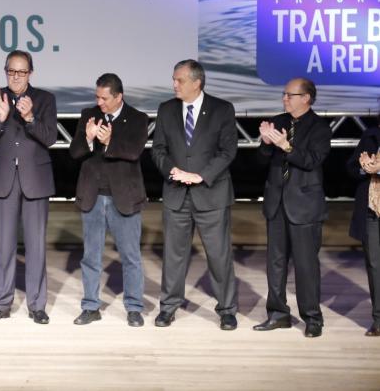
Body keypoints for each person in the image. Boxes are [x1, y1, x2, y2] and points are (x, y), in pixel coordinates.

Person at [150, 59, 238, 330]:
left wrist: (200, 176)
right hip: (177, 193)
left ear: (196, 82)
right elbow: (158, 150)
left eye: (179, 80)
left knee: (218, 255)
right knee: (174, 256)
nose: (174, 84)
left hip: (210, 194)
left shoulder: (222, 109)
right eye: (174, 79)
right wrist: (173, 170)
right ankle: (168, 307)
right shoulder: (167, 109)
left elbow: (228, 151)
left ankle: (227, 310)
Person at [0, 50, 57, 324]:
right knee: (3, 247)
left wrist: (32, 118)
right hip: (3, 180)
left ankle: (37, 305)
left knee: (36, 247)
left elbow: (50, 138)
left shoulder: (45, 99)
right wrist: (0, 119)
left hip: (35, 179)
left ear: (30, 73)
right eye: (11, 71)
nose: (16, 77)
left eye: (21, 72)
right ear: (5, 72)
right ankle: (0, 304)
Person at [69, 73, 148, 327]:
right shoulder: (88, 115)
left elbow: (134, 151)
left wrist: (110, 140)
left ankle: (134, 307)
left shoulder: (137, 118)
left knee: (130, 256)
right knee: (91, 256)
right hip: (93, 195)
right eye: (97, 96)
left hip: (123, 197)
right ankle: (91, 306)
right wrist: (89, 138)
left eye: (104, 98)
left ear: (118, 97)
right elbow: (75, 152)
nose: (100, 102)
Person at [253, 78, 330, 338]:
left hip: (305, 205)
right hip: (276, 203)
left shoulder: (320, 127)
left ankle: (312, 318)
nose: (284, 98)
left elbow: (312, 160)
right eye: (284, 94)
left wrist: (286, 146)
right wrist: (265, 143)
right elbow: (259, 161)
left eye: (289, 95)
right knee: (275, 263)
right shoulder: (278, 121)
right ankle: (278, 314)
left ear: (306, 98)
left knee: (306, 265)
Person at [348, 111, 380, 336]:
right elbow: (351, 166)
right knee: (375, 265)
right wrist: (364, 168)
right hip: (372, 210)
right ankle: (379, 320)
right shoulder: (371, 135)